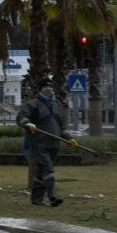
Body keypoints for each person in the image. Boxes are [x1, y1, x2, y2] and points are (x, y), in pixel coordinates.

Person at [16, 78, 79, 207]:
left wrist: (69, 138)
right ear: (40, 89)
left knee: (41, 171)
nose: (49, 89)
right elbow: (21, 117)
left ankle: (36, 199)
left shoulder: (57, 105)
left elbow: (62, 126)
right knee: (48, 168)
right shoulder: (33, 104)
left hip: (55, 144)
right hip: (39, 144)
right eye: (45, 87)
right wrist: (27, 123)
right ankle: (53, 197)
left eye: (50, 86)